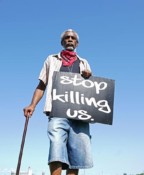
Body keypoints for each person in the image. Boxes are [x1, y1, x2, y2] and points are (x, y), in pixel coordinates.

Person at [23, 29, 93, 175]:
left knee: (77, 151)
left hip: (79, 113)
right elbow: (42, 85)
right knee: (56, 145)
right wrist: (32, 105)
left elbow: (92, 91)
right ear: (62, 42)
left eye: (73, 38)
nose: (69, 39)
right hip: (57, 110)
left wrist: (89, 76)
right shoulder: (51, 59)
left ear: (77, 43)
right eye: (66, 37)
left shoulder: (84, 62)